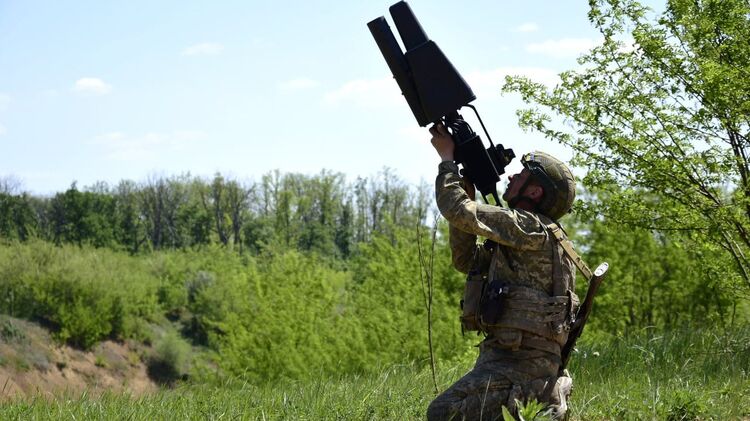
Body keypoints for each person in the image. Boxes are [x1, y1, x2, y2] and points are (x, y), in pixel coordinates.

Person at [426, 123, 578, 420]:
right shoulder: (530, 235)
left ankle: (543, 405)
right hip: (508, 360)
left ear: (534, 191)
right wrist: (466, 192)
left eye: (520, 176)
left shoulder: (530, 227)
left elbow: (455, 208)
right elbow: (466, 261)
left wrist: (446, 160)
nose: (511, 176)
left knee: (443, 413)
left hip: (521, 366)